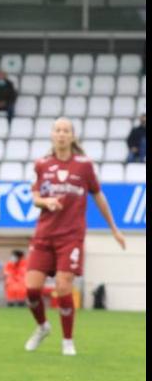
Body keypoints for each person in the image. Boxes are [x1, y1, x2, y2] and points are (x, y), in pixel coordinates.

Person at [23, 118, 127, 356]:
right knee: (31, 290)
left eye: (66, 131)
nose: (61, 134)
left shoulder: (84, 166)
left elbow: (99, 197)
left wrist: (114, 229)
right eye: (58, 130)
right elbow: (35, 197)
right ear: (52, 135)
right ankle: (42, 327)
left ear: (72, 136)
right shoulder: (41, 164)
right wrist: (45, 201)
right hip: (44, 235)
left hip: (70, 237)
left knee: (62, 286)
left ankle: (67, 341)